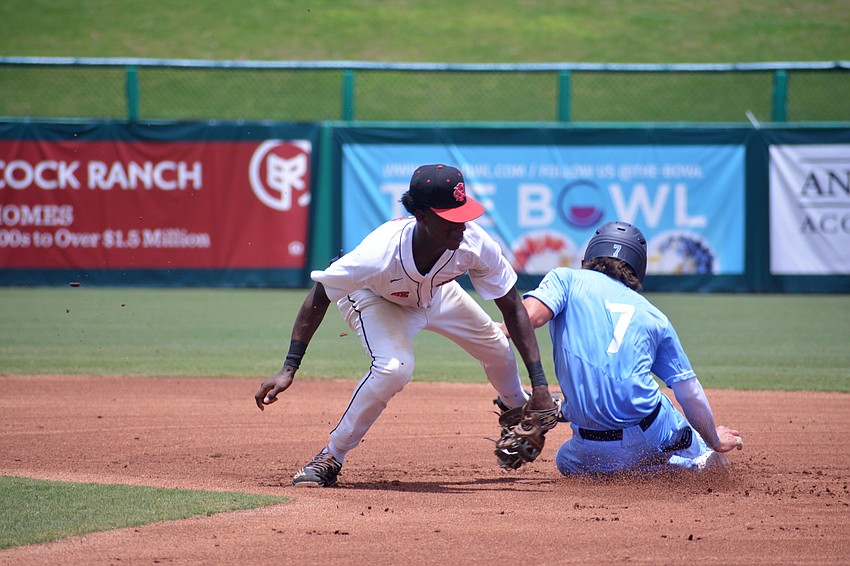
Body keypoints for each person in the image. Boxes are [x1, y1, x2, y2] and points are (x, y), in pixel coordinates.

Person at [254, 163, 557, 487]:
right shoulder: (377, 254)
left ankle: (516, 410)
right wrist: (289, 367)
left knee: (497, 346)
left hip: (437, 294)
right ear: (422, 216)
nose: (461, 226)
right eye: (450, 219)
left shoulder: (473, 243)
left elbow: (512, 307)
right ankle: (331, 455)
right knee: (394, 368)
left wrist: (540, 385)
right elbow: (319, 296)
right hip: (375, 298)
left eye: (463, 213)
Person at [503, 221, 743, 476]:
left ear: (590, 254)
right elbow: (689, 391)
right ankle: (698, 459)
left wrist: (497, 332)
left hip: (590, 448)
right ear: (638, 267)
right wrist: (714, 439)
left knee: (566, 461)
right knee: (676, 421)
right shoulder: (654, 316)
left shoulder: (566, 279)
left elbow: (529, 319)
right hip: (648, 436)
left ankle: (657, 470)